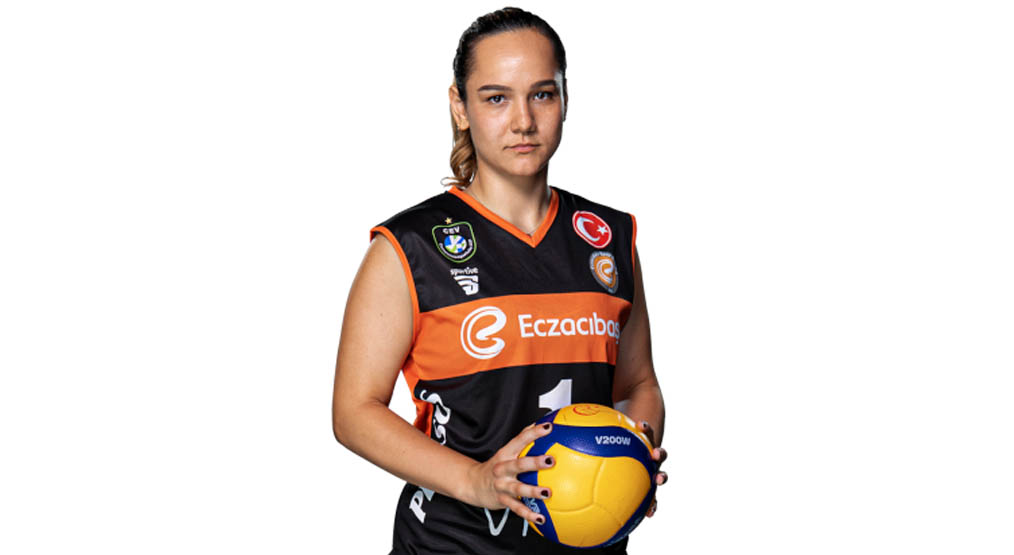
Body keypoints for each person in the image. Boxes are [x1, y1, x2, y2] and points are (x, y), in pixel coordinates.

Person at [332, 7, 667, 554]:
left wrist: (635, 456)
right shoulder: (409, 247)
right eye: (496, 98)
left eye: (542, 94)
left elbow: (638, 386)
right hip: (450, 543)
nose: (523, 121)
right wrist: (476, 481)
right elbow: (353, 412)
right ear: (459, 107)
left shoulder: (608, 237)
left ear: (565, 98)